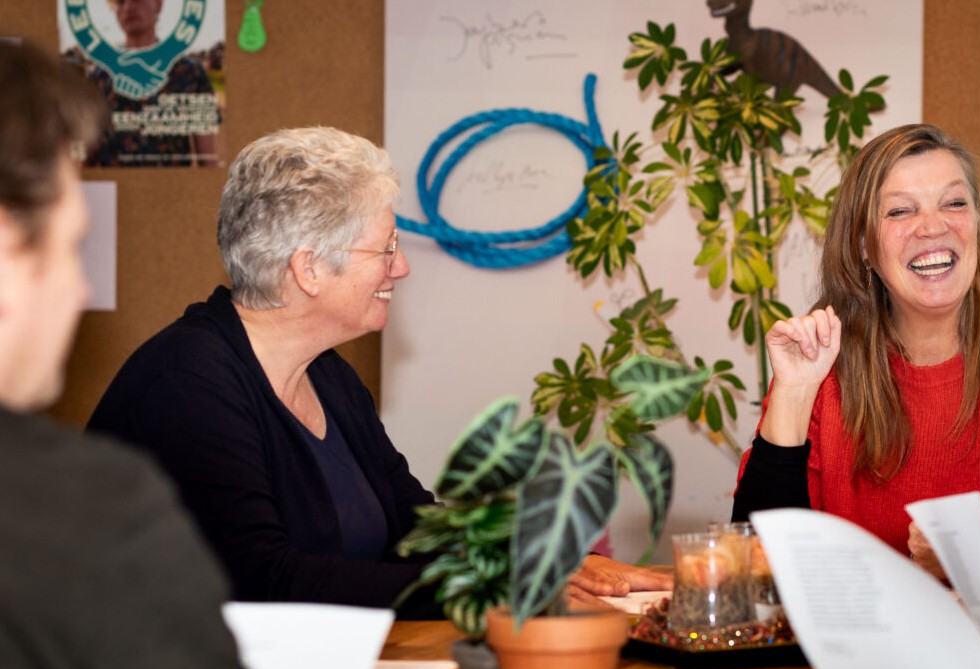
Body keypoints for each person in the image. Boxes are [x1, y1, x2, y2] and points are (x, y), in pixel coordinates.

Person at [0, 41, 417, 669]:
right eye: (68, 249)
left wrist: (506, 556)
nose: (82, 294)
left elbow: (415, 522)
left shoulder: (331, 379)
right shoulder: (101, 470)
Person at [88, 125, 669, 615]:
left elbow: (415, 529)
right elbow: (265, 581)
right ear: (310, 269)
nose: (403, 267)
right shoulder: (187, 384)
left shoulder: (328, 375)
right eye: (386, 248)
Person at [731, 124, 980, 587]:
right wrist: (793, 393)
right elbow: (756, 562)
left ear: (976, 227)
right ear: (865, 246)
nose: (933, 227)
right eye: (900, 211)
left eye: (953, 203)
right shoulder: (821, 365)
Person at [71, 0, 222, 167]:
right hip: (112, 192)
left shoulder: (190, 73)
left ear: (158, 4)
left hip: (170, 190)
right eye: (120, 2)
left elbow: (207, 158)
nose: (128, 7)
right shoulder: (98, 78)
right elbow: (83, 155)